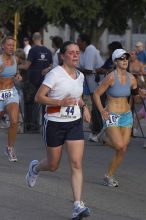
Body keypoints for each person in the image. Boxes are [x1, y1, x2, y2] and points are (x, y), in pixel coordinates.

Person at [25, 41, 91, 219]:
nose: (75, 55)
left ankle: (77, 204)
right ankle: (36, 168)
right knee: (53, 165)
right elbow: (39, 97)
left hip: (74, 123)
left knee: (76, 163)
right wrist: (60, 102)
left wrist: (84, 108)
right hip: (54, 123)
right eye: (71, 52)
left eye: (77, 52)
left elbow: (78, 97)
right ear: (62, 56)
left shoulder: (80, 75)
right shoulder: (55, 74)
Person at [93, 48, 141, 187]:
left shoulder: (132, 78)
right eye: (121, 58)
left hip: (126, 115)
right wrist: (102, 111)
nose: (125, 61)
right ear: (115, 61)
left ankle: (109, 175)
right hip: (112, 114)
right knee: (119, 145)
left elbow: (136, 98)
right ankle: (104, 137)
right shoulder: (111, 77)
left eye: (126, 58)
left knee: (123, 148)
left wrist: (141, 94)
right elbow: (96, 94)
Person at [18, 32, 53, 131]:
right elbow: (51, 65)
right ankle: (45, 124)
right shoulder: (48, 51)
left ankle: (34, 125)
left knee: (34, 102)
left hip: (33, 80)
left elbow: (27, 66)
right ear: (41, 39)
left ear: (33, 39)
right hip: (46, 80)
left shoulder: (33, 50)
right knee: (44, 103)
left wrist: (15, 66)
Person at [77, 33, 104, 142]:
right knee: (95, 108)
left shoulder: (90, 50)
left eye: (79, 41)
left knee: (97, 108)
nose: (77, 43)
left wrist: (74, 69)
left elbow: (88, 69)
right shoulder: (83, 52)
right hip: (91, 84)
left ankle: (99, 131)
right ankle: (97, 130)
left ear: (84, 42)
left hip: (98, 84)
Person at [0, 36, 22, 161]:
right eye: (8, 45)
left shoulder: (15, 59)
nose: (11, 47)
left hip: (11, 93)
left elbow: (16, 72)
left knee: (14, 121)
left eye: (12, 45)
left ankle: (9, 148)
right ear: (3, 46)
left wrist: (18, 76)